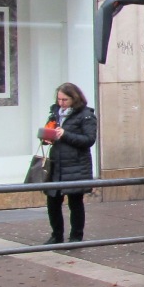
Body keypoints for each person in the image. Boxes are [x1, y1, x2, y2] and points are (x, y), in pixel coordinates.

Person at [41, 82, 97, 245]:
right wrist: (47, 137)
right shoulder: (55, 113)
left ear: (74, 98)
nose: (61, 103)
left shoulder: (86, 115)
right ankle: (56, 235)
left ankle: (76, 236)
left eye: (65, 100)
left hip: (76, 165)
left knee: (75, 202)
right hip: (56, 164)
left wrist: (65, 134)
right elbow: (50, 133)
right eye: (59, 99)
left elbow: (89, 140)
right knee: (52, 202)